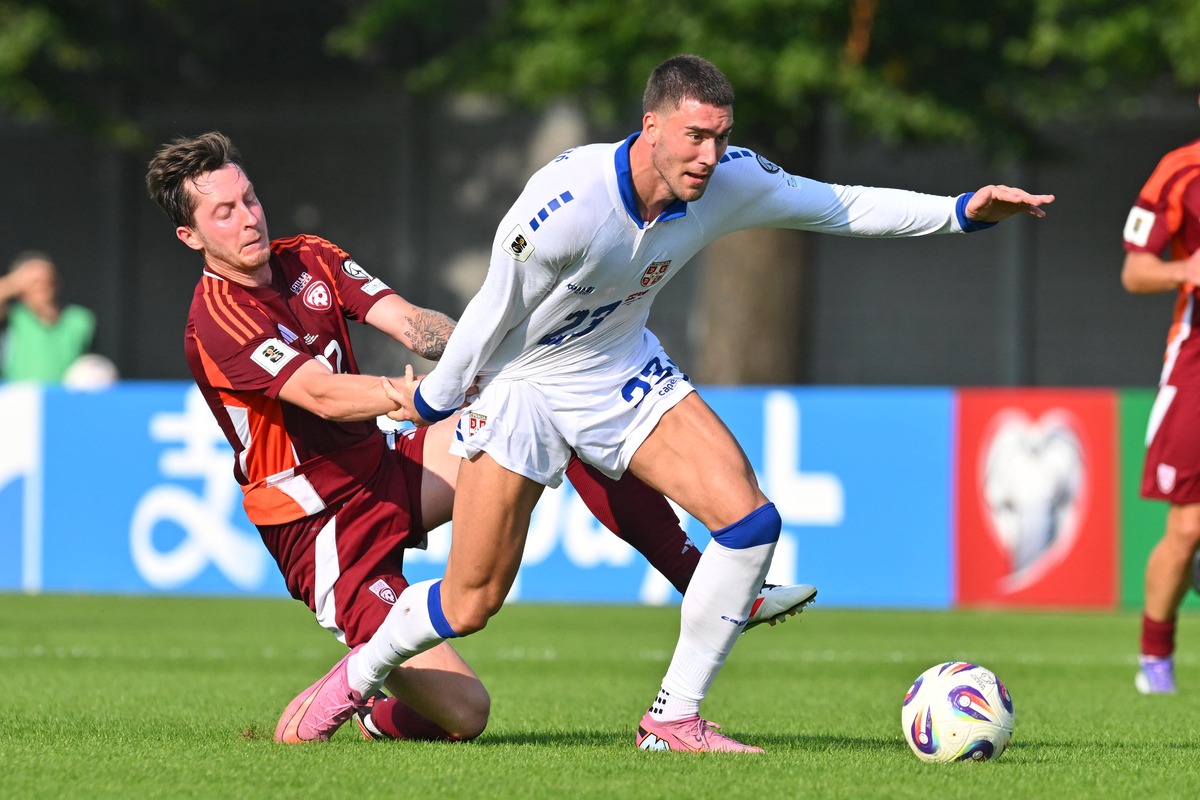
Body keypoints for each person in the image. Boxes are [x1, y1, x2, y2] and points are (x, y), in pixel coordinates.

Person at [283, 54, 1053, 754]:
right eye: (694, 137)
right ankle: (355, 680)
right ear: (649, 127)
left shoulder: (728, 181)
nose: (709, 157)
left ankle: (673, 718)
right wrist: (434, 402)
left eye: (720, 138)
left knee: (752, 522)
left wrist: (960, 212)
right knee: (472, 598)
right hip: (521, 385)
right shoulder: (565, 205)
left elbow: (838, 205)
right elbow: (488, 314)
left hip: (618, 368)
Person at [144, 131, 816, 744]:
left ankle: (697, 574)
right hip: (319, 526)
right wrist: (408, 397)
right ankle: (376, 710)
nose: (249, 217)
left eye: (249, 198)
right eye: (224, 212)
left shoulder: (309, 258)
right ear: (191, 237)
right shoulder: (216, 321)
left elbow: (412, 324)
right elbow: (318, 394)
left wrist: (480, 359)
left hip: (388, 470)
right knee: (467, 716)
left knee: (550, 402)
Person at [1120, 100, 1200, 694]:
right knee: (1189, 525)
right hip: (1197, 361)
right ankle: (1156, 660)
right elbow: (1136, 271)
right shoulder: (1181, 171)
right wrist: (1186, 270)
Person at [0, 251, 98, 383]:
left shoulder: (79, 319)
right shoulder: (13, 316)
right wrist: (15, 281)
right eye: (34, 283)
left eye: (47, 281)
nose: (41, 286)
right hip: (19, 397)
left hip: (64, 397)